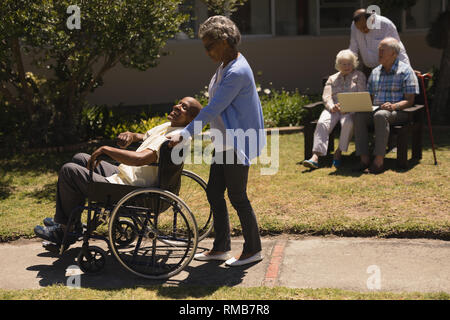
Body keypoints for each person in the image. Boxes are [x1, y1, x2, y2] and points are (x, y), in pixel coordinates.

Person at [34, 97, 202, 245]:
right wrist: (130, 135)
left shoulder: (175, 137)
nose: (177, 107)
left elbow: (141, 159)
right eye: (179, 103)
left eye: (184, 107)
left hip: (135, 191)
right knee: (81, 158)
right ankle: (72, 224)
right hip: (126, 178)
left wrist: (107, 149)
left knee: (69, 171)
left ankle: (64, 230)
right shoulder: (169, 126)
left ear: (192, 119)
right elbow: (143, 137)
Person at [168, 16, 266, 267]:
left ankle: (253, 249)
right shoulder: (225, 65)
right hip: (224, 142)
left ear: (224, 41)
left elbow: (213, 108)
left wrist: (186, 133)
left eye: (208, 45)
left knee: (237, 196)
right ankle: (221, 247)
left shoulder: (237, 71)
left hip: (238, 142)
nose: (206, 51)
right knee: (214, 192)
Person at [353, 38, 419, 174]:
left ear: (394, 54)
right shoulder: (375, 72)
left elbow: (410, 100)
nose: (379, 52)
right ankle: (364, 159)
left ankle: (378, 161)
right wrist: (361, 103)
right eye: (379, 50)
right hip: (376, 109)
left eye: (383, 50)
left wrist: (394, 106)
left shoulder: (406, 71)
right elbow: (369, 98)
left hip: (398, 111)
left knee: (381, 115)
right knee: (359, 115)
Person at [303, 49, 366, 170]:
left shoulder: (359, 76)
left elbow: (361, 94)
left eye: (349, 63)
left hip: (351, 109)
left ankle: (338, 152)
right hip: (333, 109)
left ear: (353, 64)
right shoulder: (332, 78)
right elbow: (326, 96)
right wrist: (332, 106)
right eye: (343, 64)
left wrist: (348, 106)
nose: (346, 66)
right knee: (322, 123)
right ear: (338, 65)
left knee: (348, 123)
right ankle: (315, 157)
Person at [349, 8, 411, 78]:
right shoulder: (354, 26)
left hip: (387, 67)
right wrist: (348, 65)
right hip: (368, 68)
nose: (363, 30)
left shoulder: (385, 24)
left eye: (365, 27)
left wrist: (407, 69)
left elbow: (397, 48)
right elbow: (353, 48)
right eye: (360, 29)